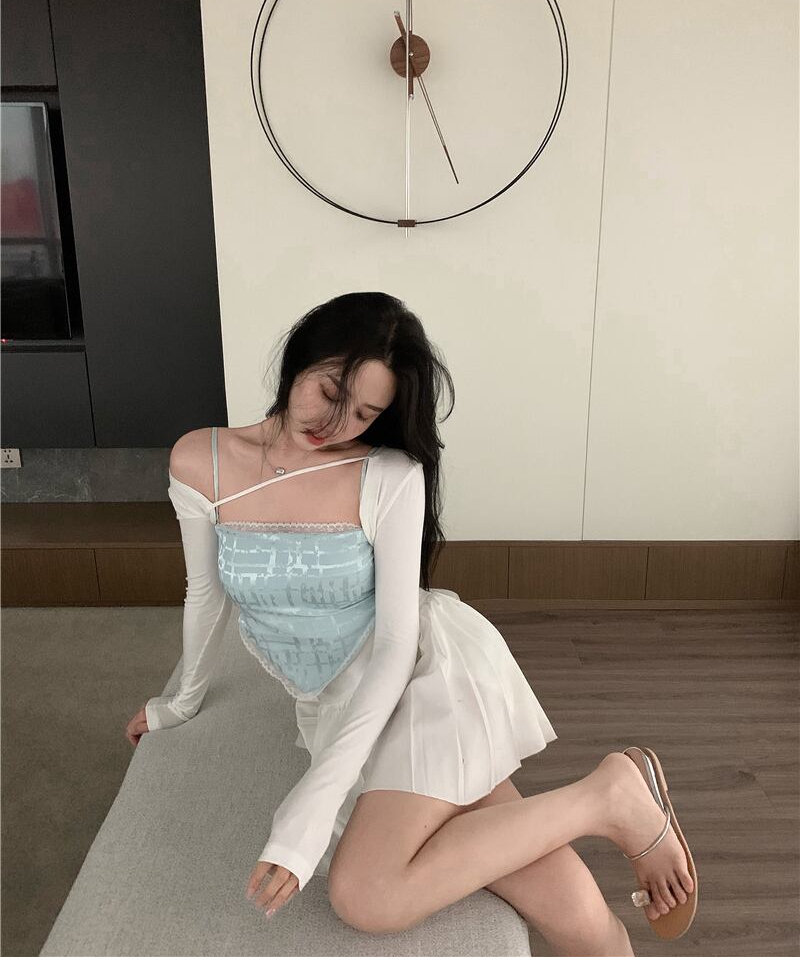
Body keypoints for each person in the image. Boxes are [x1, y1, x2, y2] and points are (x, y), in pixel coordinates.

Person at [126, 291, 696, 953]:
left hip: (419, 679)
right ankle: (613, 844)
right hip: (333, 701)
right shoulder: (201, 459)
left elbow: (396, 646)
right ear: (299, 361)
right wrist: (179, 701)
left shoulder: (389, 474)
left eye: (364, 413)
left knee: (368, 894)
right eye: (328, 391)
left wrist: (312, 804)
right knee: (560, 902)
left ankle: (608, 797)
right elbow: (205, 592)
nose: (334, 422)